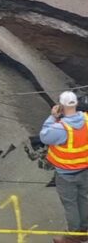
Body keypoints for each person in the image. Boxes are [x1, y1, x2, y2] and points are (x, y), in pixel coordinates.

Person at [40, 91, 88, 243]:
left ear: (61, 106)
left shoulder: (60, 128)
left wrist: (53, 117)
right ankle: (85, 229)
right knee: (85, 199)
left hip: (66, 174)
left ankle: (74, 235)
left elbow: (44, 136)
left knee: (70, 204)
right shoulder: (87, 119)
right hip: (85, 170)